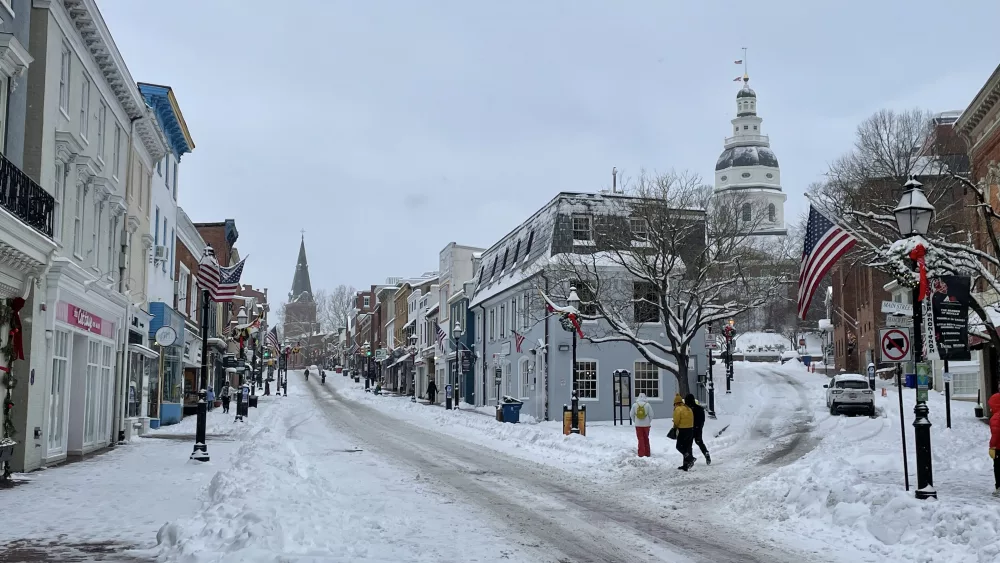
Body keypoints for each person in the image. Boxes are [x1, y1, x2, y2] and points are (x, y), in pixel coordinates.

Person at [684, 394, 711, 465]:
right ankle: (706, 453)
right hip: (698, 428)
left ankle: (690, 460)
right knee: (699, 441)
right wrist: (700, 427)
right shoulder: (700, 408)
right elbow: (703, 419)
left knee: (689, 444)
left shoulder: (689, 410)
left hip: (691, 428)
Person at [671, 393, 695, 471]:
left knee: (679, 446)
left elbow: (676, 421)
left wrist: (674, 427)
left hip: (683, 430)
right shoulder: (688, 408)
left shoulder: (678, 409)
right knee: (686, 447)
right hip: (690, 429)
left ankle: (690, 458)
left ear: (675, 403)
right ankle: (685, 465)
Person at [630, 393, 654, 457]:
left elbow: (631, 414)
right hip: (646, 425)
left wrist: (635, 421)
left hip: (638, 425)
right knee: (646, 438)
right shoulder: (647, 405)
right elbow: (651, 415)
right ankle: (647, 453)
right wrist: (648, 421)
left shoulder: (635, 405)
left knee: (640, 439)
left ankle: (641, 453)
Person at [990, 392, 1000, 496]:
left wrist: (992, 446)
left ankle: (999, 488)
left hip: (999, 447)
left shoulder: (996, 417)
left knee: (998, 467)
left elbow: (996, 433)